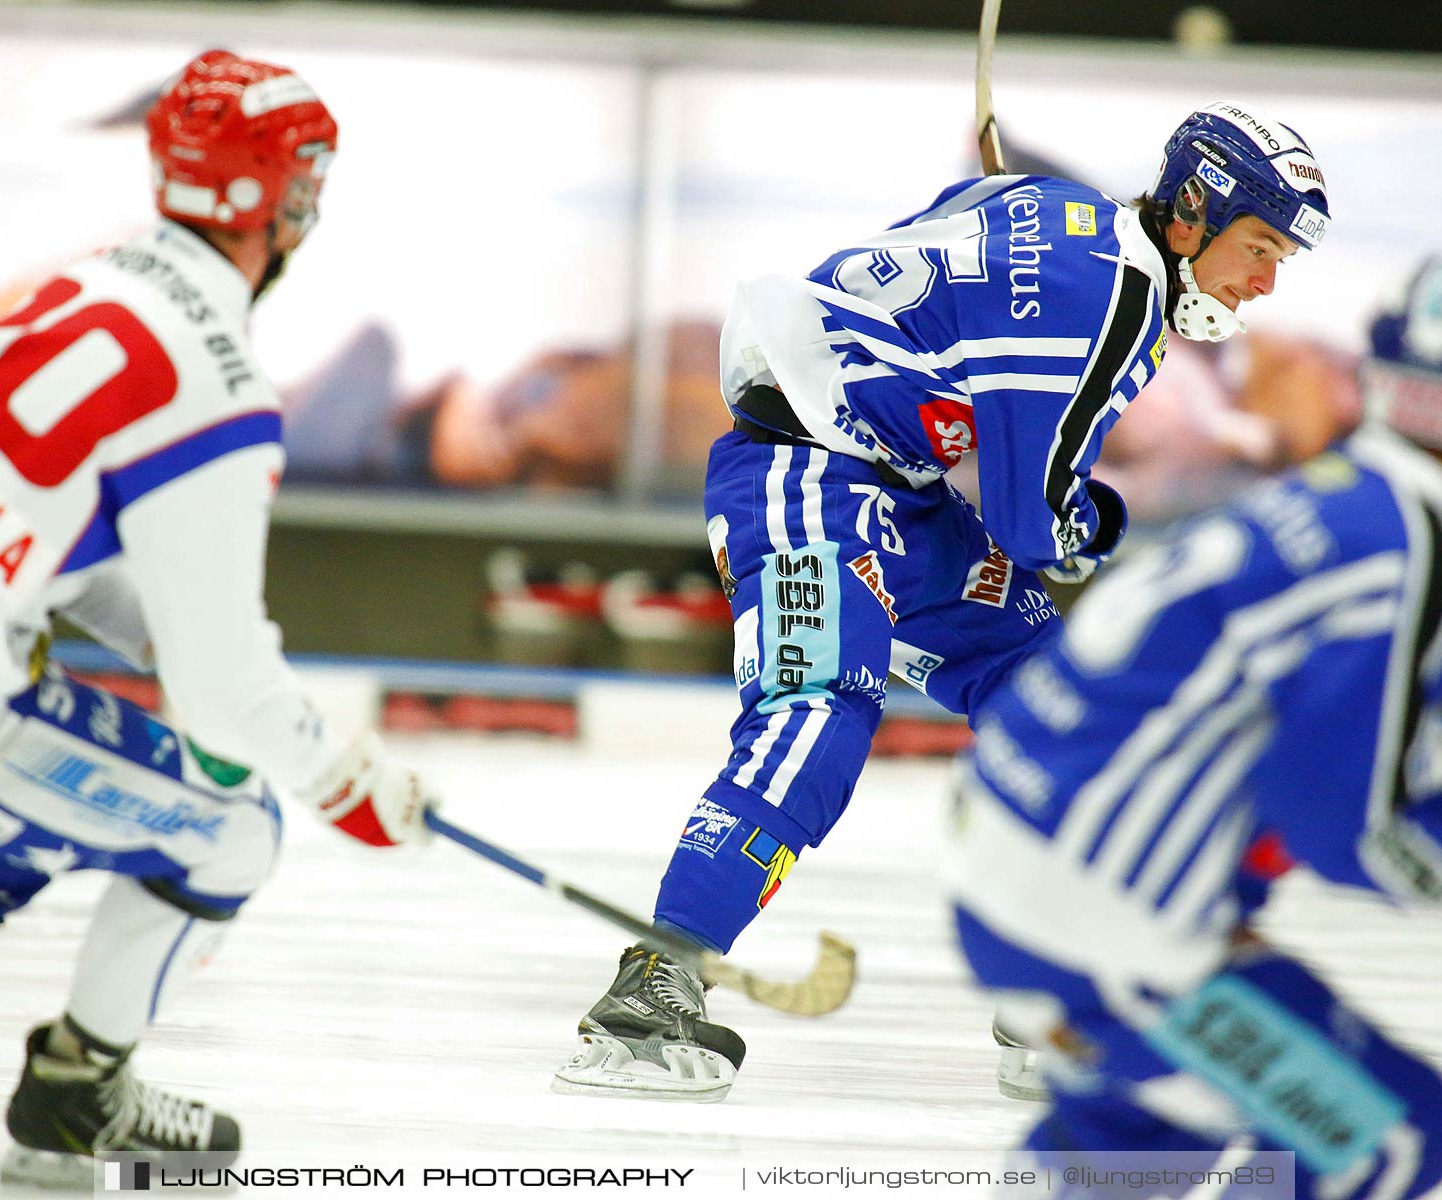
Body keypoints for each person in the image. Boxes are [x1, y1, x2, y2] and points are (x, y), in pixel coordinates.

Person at [553, 101, 1334, 1102]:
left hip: (890, 486)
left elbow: (938, 257)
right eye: (1260, 246)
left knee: (1058, 699)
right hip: (804, 478)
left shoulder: (1052, 207)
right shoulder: (1111, 304)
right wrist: (1095, 523)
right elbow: (1027, 522)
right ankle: (654, 984)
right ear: (1190, 214)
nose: (1265, 283)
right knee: (815, 713)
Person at [0, 50, 435, 1184]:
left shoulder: (89, 277)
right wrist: (347, 782)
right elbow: (227, 691)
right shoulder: (224, 388)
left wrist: (158, 635)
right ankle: (75, 1102)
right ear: (284, 200)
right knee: (232, 829)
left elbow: (29, 518)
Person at [947, 257, 1442, 1198]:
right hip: (1103, 919)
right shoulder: (1412, 536)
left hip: (1017, 873)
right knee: (1386, 1134)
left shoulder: (1325, 496)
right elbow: (1352, 818)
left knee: (1141, 1139)